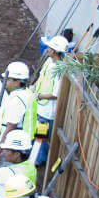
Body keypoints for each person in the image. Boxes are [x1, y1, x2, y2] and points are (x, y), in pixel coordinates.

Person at [32, 35, 69, 167]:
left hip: (47, 111)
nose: (47, 49)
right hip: (40, 106)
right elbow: (41, 77)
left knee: (40, 137)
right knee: (38, 135)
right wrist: (34, 88)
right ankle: (37, 156)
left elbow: (55, 94)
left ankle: (38, 160)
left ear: (54, 51)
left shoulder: (59, 70)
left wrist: (39, 96)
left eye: (49, 48)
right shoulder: (49, 62)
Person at [0, 62, 37, 156]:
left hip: (10, 147)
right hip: (19, 143)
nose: (5, 81)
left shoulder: (17, 100)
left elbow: (11, 127)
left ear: (17, 82)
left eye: (8, 79)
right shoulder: (26, 93)